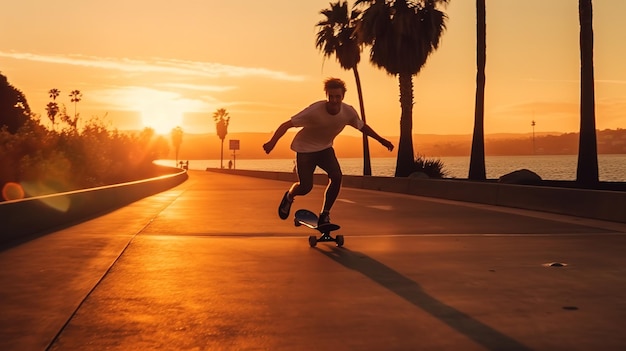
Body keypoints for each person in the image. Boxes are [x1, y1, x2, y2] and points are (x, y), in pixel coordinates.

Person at [263, 77, 394, 226]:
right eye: (331, 96)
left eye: (337, 97)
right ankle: (289, 196)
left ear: (342, 97)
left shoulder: (348, 112)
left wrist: (381, 140)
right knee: (306, 187)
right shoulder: (314, 110)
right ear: (327, 96)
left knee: (337, 177)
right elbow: (286, 125)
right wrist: (272, 142)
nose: (334, 100)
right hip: (305, 149)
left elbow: (362, 126)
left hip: (325, 149)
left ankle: (325, 214)